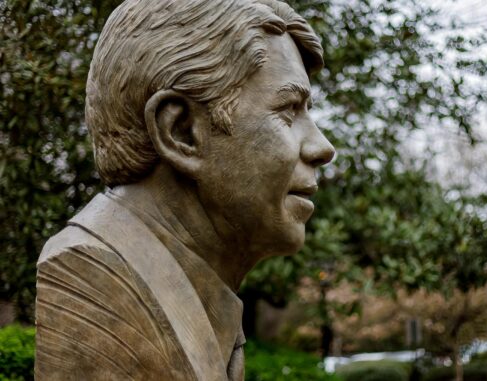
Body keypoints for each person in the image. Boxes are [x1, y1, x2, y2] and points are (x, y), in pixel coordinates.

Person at [34, 0, 335, 379]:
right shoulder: (96, 276)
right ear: (181, 132)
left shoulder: (204, 297)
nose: (322, 147)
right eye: (289, 110)